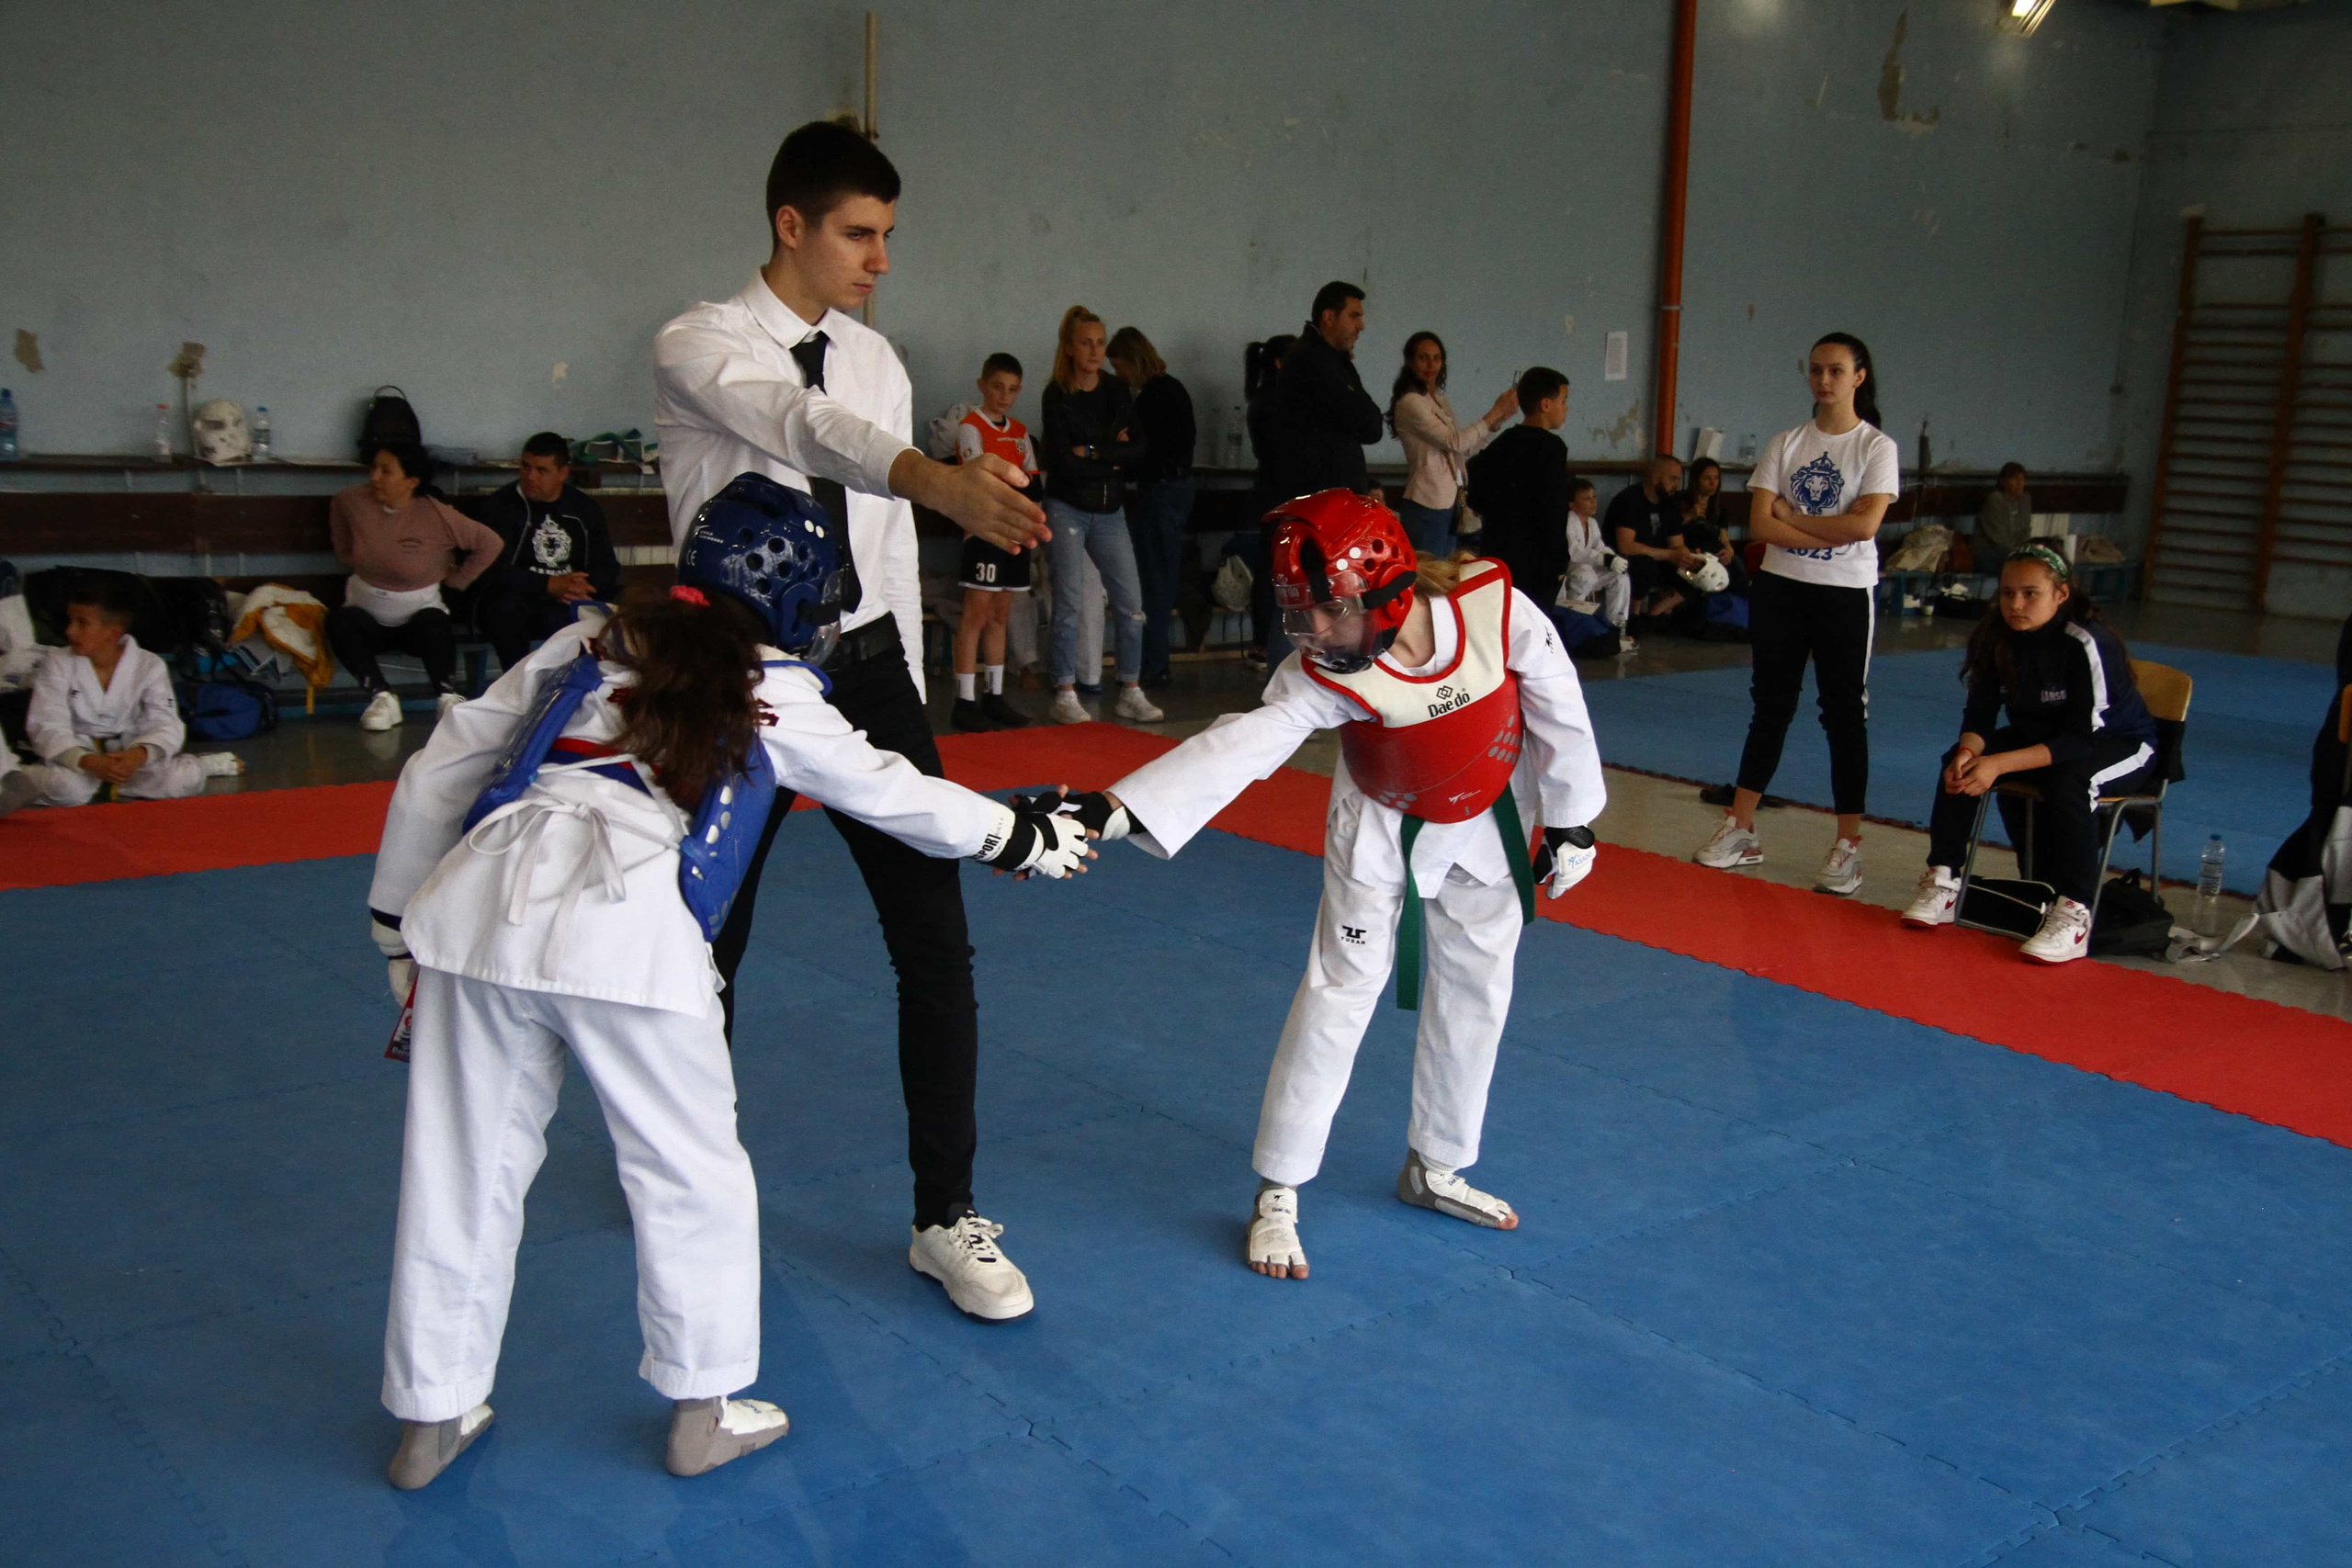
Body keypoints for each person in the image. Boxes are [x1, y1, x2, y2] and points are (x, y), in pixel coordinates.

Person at [365, 481, 1090, 1491]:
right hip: (627, 929)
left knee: (461, 1173)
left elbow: (440, 767)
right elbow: (891, 792)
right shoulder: (772, 683)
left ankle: (430, 1419)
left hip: (475, 912)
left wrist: (394, 924)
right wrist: (1020, 835)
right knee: (689, 1176)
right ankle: (699, 1415)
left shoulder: (589, 639)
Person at [650, 120, 1055, 1323]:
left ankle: (946, 1214)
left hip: (868, 671)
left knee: (935, 940)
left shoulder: (878, 360)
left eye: (888, 236)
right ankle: (683, 1170)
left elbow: (878, 548)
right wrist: (933, 477)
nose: (881, 258)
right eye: (859, 234)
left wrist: (910, 707)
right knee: (702, 942)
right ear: (792, 225)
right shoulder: (698, 343)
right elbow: (799, 426)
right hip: (736, 679)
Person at [1054, 491, 1605, 1280]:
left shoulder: (1492, 608)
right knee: (1338, 996)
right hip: (1379, 832)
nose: (1311, 630)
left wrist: (1575, 818)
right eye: (1297, 613)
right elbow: (1244, 743)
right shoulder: (1321, 673)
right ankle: (1278, 1190)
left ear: (1388, 592)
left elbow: (1556, 693)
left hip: (1491, 818)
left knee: (1480, 990)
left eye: (1327, 610)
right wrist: (1116, 808)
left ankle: (1437, 1164)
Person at [1694, 333, 1900, 896]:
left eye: (1836, 370)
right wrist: (1815, 526)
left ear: (1859, 377)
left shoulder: (1876, 448)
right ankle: (1741, 828)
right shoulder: (1786, 443)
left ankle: (1848, 845)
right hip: (1782, 589)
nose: (1823, 380)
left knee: (1844, 714)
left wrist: (1793, 518)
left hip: (1844, 593)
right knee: (1771, 706)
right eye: (1815, 370)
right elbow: (1761, 526)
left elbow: (1864, 528)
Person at [1902, 547, 2155, 964]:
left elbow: (2081, 740)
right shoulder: (1995, 635)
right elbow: (1980, 714)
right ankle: (1944, 879)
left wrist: (2000, 763)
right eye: (2007, 593)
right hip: (2041, 736)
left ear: (2061, 594)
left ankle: (2075, 912)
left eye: (2030, 593)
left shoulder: (2086, 642)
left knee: (2070, 781)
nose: (2015, 605)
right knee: (1958, 763)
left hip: (2117, 743)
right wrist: (1969, 752)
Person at [0, 578, 240, 815]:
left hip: (130, 756)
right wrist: (88, 761)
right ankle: (16, 775)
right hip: (77, 756)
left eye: (82, 623)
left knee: (182, 779)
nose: (69, 631)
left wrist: (138, 756)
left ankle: (199, 765)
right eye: (70, 620)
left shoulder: (149, 665)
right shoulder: (57, 662)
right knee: (68, 789)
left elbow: (166, 722)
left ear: (112, 632)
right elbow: (47, 723)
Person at [1040, 306, 1163, 726]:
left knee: (1131, 605)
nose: (1095, 351)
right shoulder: (1057, 393)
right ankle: (1064, 691)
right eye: (1085, 343)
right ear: (1069, 348)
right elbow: (1062, 461)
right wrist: (1111, 454)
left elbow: (1138, 450)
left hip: (1110, 511)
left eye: (1100, 343)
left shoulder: (1116, 390)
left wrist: (1092, 450)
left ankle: (1130, 689)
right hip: (1067, 507)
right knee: (1070, 601)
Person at [326, 444, 504, 730]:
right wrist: (352, 556)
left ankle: (447, 697)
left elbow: (490, 543)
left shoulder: (438, 515)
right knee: (339, 622)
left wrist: (458, 580)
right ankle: (382, 697)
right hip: (366, 619)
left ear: (411, 481)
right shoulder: (351, 500)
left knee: (435, 621)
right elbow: (340, 526)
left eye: (386, 471)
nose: (375, 476)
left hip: (418, 623)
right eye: (374, 468)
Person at [459, 432, 622, 673]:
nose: (530, 476)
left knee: (622, 605)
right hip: (519, 598)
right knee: (504, 607)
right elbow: (491, 569)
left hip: (567, 599)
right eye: (525, 467)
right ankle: (518, 683)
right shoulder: (500, 507)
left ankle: (578, 684)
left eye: (541, 470)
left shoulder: (584, 509)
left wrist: (583, 587)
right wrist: (548, 584)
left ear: (563, 473)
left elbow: (607, 564)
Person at [950, 354, 1040, 733]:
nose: (1005, 396)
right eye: (998, 387)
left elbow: (1033, 481)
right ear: (983, 386)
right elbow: (980, 480)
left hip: (1015, 533)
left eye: (1012, 389)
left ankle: (995, 695)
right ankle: (964, 700)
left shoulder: (1020, 432)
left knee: (1001, 616)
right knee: (976, 616)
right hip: (984, 532)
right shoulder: (971, 427)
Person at [1109, 326, 1197, 689]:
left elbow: (1144, 454)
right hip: (1176, 490)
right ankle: (1153, 662)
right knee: (1160, 578)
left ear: (1132, 361)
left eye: (1119, 367)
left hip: (1159, 493)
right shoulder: (1173, 389)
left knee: (1152, 581)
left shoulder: (1150, 399)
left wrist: (1119, 450)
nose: (1118, 375)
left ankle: (1153, 664)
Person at [1387, 332, 1516, 558]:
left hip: (1451, 500)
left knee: (1446, 570)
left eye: (1437, 358)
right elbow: (1454, 441)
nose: (1431, 365)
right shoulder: (1410, 402)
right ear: (1410, 362)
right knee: (1428, 571)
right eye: (1424, 358)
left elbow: (1465, 448)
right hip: (1427, 501)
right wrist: (1493, 412)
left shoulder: (1438, 400)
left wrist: (1498, 420)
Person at [1465, 368, 1575, 610]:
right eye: (1563, 401)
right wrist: (1560, 561)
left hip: (1499, 554)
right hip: (1538, 562)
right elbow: (1554, 511)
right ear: (1546, 405)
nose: (1566, 408)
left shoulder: (1503, 442)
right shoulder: (1552, 449)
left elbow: (1476, 494)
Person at [1266, 282, 1384, 501]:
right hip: (1318, 498)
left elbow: (1374, 425)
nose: (1361, 326)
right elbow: (1366, 422)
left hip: (1329, 496)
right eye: (1354, 316)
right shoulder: (1310, 360)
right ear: (1329, 317)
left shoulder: (1333, 359)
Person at [1244, 333, 1298, 661]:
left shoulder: (1264, 399)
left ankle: (1264, 642)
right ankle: (1266, 644)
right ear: (1280, 364)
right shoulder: (1276, 402)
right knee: (1274, 573)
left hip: (1272, 491)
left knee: (1270, 570)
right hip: (1279, 493)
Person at [1605, 454, 1700, 620]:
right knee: (1645, 566)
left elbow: (1676, 544)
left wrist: (1686, 556)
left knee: (1699, 572)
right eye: (1673, 479)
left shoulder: (1669, 504)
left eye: (1678, 480)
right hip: (1623, 560)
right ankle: (1634, 615)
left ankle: (1655, 613)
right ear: (1656, 478)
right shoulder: (1629, 500)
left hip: (1659, 560)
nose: (1676, 485)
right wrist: (1670, 555)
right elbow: (1626, 546)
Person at [1564, 478, 1634, 644]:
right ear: (1572, 504)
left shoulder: (1592, 523)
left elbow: (1600, 547)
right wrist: (1604, 559)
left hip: (1589, 568)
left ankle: (1616, 630)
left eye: (1594, 497)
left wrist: (1613, 558)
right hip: (1569, 570)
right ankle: (1575, 629)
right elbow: (1573, 552)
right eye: (1586, 498)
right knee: (1585, 575)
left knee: (1620, 577)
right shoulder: (1568, 521)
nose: (1593, 502)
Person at [1976, 463, 2033, 558]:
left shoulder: (2025, 499)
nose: (2019, 483)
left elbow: (2025, 531)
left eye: (2022, 479)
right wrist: (2017, 554)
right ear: (2003, 482)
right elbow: (1998, 538)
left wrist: (2026, 550)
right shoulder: (1995, 500)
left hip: (2014, 551)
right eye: (2015, 479)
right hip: (1989, 551)